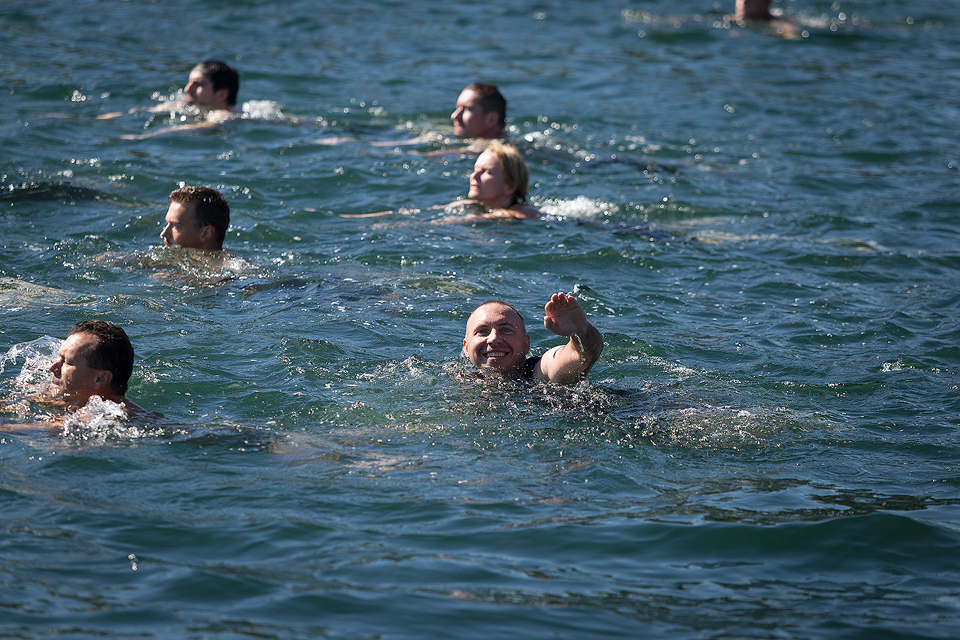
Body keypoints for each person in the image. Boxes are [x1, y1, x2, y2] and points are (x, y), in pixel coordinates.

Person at [463, 293, 603, 385]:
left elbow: (580, 355)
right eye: (482, 331)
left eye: (506, 330)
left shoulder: (538, 371)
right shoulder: (460, 379)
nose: (493, 339)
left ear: (526, 344)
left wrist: (580, 330)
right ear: (467, 348)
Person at [48, 320, 145, 413]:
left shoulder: (105, 416)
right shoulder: (76, 399)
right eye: (59, 357)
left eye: (68, 362)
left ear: (100, 378)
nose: (52, 367)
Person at [444, 140, 539, 220]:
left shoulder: (522, 213)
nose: (474, 176)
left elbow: (502, 215)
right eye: (475, 169)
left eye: (486, 172)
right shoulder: (466, 205)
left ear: (510, 187)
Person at [161, 186, 231, 251]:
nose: (164, 233)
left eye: (176, 226)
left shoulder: (233, 264)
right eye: (167, 223)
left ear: (205, 234)